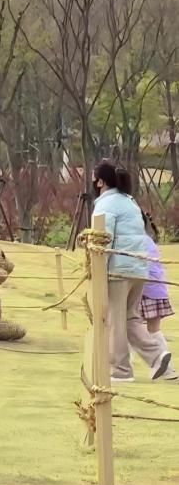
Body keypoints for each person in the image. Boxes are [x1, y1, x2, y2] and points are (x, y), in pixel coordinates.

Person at [95, 162, 175, 382]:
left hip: (119, 270)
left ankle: (120, 370)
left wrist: (97, 268)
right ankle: (158, 355)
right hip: (140, 268)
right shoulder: (129, 201)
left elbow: (104, 237)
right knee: (130, 318)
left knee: (115, 319)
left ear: (101, 181)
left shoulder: (106, 204)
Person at [141, 218, 174, 339]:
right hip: (157, 290)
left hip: (146, 291)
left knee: (128, 328)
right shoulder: (148, 240)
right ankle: (161, 356)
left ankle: (159, 356)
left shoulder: (138, 241)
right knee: (154, 330)